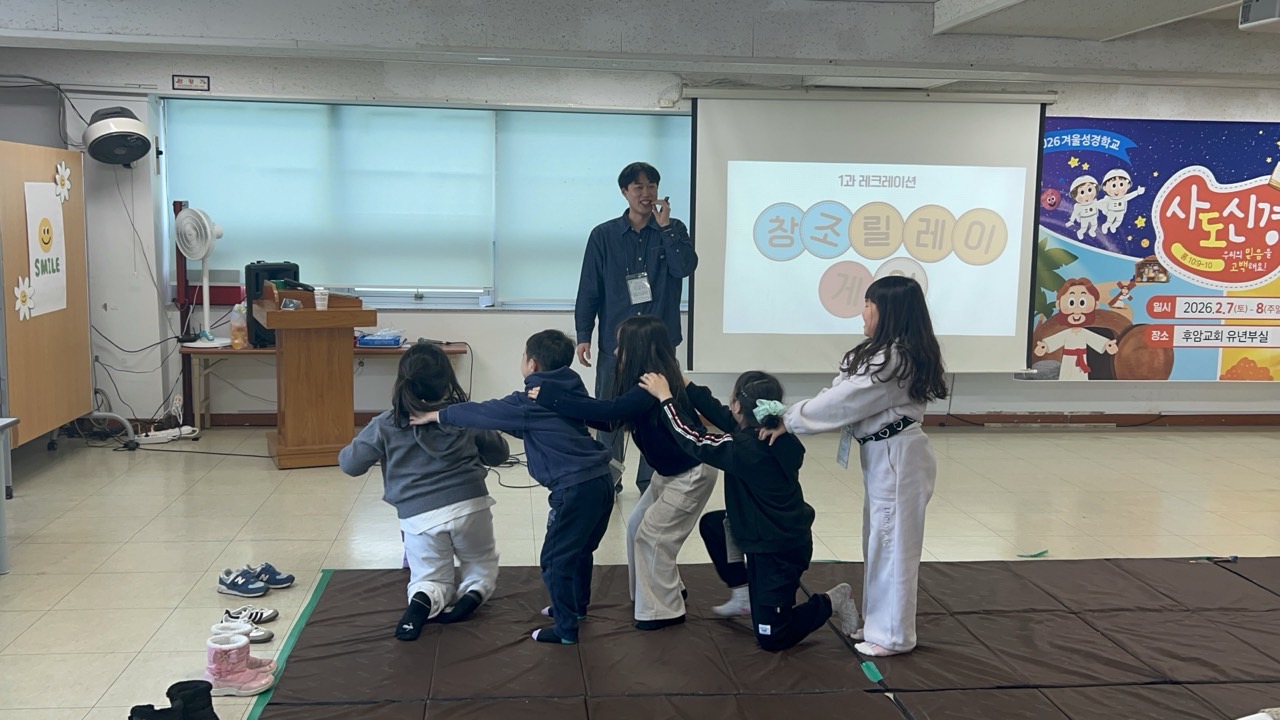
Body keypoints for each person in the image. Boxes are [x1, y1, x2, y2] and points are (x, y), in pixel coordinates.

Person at [766, 275, 947, 657]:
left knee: (893, 545)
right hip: (884, 454)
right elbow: (839, 392)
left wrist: (790, 419)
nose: (863, 312)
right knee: (880, 541)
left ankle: (894, 635)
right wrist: (792, 415)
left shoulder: (894, 358)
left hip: (898, 456)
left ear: (888, 311)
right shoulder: (883, 353)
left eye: (869, 305)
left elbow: (843, 402)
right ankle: (880, 623)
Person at [411, 330, 614, 646]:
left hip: (574, 490)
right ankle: (575, 609)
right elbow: (543, 426)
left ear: (532, 364)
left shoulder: (529, 400)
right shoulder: (572, 391)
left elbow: (483, 412)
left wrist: (437, 415)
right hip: (602, 481)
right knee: (580, 551)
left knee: (555, 561)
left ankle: (565, 629)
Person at [639, 370, 861, 652]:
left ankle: (835, 600)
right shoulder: (767, 434)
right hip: (763, 532)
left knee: (772, 637)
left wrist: (666, 398)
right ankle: (743, 591)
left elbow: (694, 440)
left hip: (778, 550)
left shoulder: (746, 449)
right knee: (714, 525)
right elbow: (720, 415)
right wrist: (685, 383)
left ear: (736, 404)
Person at [533, 314, 717, 631]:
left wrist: (553, 398)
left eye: (621, 345)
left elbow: (611, 412)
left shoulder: (651, 384)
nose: (616, 352)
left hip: (691, 473)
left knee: (652, 537)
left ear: (639, 347)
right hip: (670, 472)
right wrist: (565, 407)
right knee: (636, 527)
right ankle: (664, 590)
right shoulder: (647, 381)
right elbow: (610, 420)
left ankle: (664, 611)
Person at [338, 342, 509, 641]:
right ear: (448, 380)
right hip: (471, 507)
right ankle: (474, 591)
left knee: (430, 577)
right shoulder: (464, 416)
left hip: (419, 518)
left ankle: (422, 601)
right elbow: (499, 455)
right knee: (481, 564)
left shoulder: (385, 423)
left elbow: (350, 465)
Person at [575, 161, 699, 496]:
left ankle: (650, 480)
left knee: (658, 411)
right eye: (638, 187)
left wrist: (666, 227)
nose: (646, 193)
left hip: (659, 341)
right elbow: (589, 288)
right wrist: (584, 335)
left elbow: (685, 267)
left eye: (652, 186)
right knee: (609, 413)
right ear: (625, 192)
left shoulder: (674, 229)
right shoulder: (603, 235)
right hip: (616, 343)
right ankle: (609, 478)